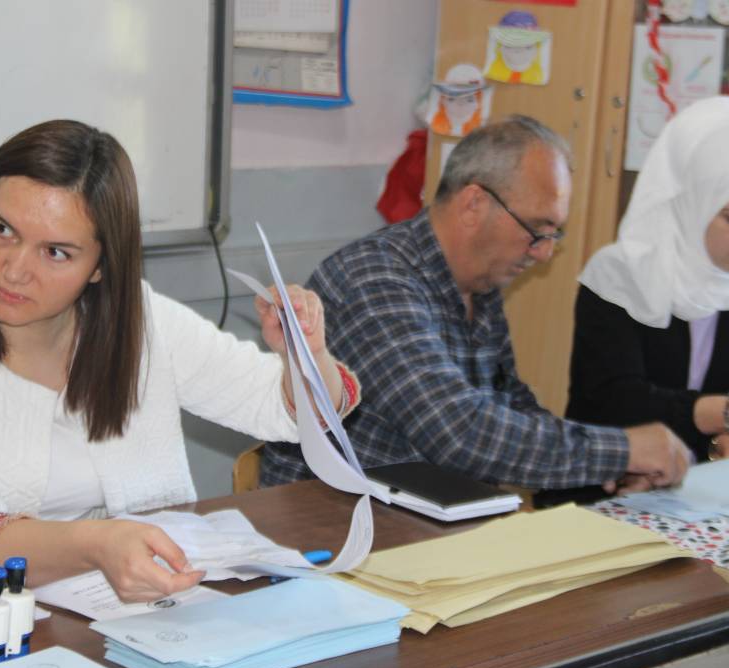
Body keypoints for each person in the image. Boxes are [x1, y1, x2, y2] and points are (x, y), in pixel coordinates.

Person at [0, 120, 358, 601]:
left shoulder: (139, 320)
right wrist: (100, 546)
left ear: (100, 266)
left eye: (55, 252)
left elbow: (293, 415)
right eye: (2, 229)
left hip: (134, 612)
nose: (14, 269)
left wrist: (307, 356)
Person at [261, 115, 690, 497]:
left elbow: (512, 408)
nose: (542, 254)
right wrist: (622, 451)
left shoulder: (478, 285)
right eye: (536, 231)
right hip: (332, 537)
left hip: (428, 528)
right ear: (473, 205)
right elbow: (459, 433)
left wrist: (603, 469)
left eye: (552, 236)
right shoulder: (374, 280)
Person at [568, 96, 729, 462]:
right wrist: (727, 414)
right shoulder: (618, 277)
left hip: (700, 489)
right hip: (606, 480)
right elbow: (612, 403)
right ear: (689, 204)